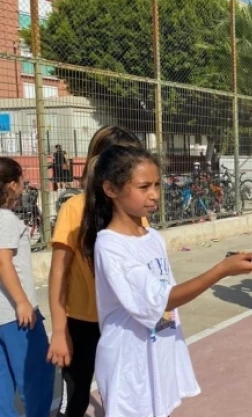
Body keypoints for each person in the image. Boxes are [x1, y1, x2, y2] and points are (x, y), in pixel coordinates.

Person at [79, 145, 252, 417]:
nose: (154, 194)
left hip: (158, 354)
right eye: (143, 187)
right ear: (110, 189)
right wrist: (221, 270)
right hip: (129, 364)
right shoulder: (111, 245)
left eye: (156, 185)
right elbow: (162, 299)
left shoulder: (153, 238)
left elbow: (167, 293)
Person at [46, 126, 145, 417]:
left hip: (124, 322)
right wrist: (60, 331)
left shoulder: (136, 211)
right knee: (75, 400)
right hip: (82, 324)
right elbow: (58, 273)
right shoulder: (74, 209)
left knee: (128, 397)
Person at [0, 157, 55, 417]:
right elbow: (3, 262)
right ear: (12, 184)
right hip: (14, 315)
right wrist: (22, 302)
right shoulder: (6, 219)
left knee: (2, 383)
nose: (24, 186)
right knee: (35, 378)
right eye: (22, 180)